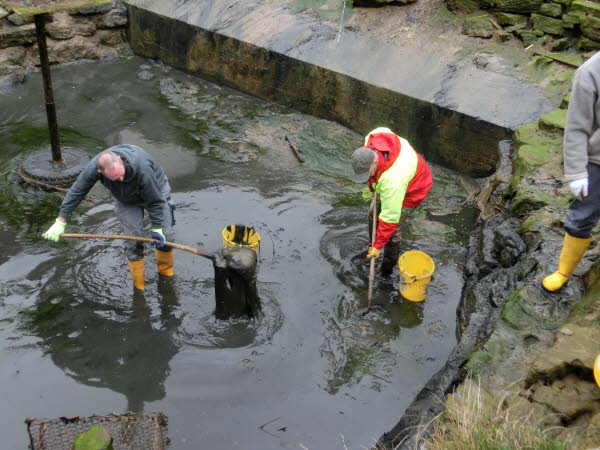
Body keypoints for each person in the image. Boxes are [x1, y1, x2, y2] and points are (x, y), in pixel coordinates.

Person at [43, 144, 176, 291]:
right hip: (125, 199)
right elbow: (77, 191)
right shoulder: (93, 168)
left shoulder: (142, 167)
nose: (120, 179)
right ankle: (139, 288)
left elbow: (156, 201)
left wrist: (157, 227)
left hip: (156, 191)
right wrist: (61, 220)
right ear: (100, 172)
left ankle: (166, 276)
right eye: (115, 178)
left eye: (121, 174)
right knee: (133, 242)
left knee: (166, 237)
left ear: (120, 160)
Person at [543, 52, 600, 291]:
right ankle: (564, 272)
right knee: (581, 218)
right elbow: (576, 127)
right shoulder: (590, 72)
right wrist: (577, 172)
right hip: (597, 160)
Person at [351, 127, 433, 275]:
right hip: (393, 181)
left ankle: (386, 270)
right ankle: (372, 244)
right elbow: (383, 128)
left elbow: (390, 219)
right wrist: (375, 244)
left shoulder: (393, 181)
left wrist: (379, 246)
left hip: (412, 190)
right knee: (373, 214)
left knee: (391, 236)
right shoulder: (372, 138)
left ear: (375, 162)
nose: (366, 177)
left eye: (367, 173)